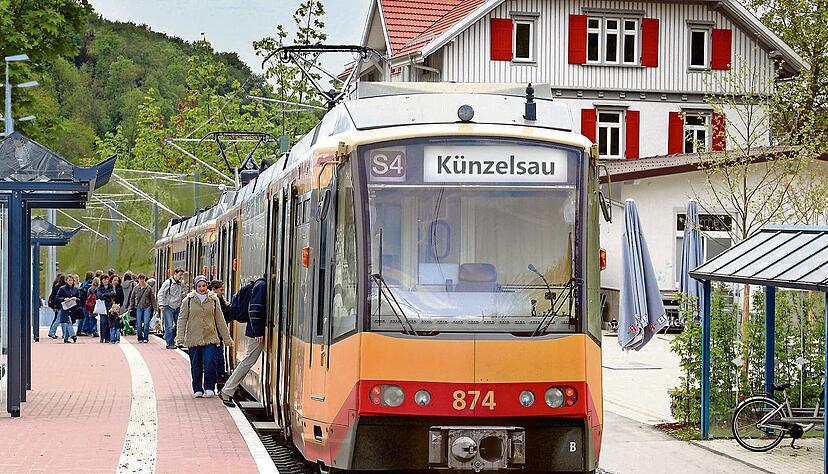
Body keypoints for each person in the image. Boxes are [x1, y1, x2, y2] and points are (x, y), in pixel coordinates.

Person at [176, 275, 233, 398]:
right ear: (195, 287)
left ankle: (209, 387)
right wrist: (180, 337)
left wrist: (227, 338)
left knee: (209, 362)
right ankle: (197, 388)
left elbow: (220, 319)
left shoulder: (214, 299)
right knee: (196, 364)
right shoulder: (188, 300)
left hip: (210, 337)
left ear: (207, 286)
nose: (202, 288)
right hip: (193, 338)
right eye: (199, 286)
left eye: (204, 286)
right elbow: (182, 319)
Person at [219, 275, 266, 407]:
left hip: (257, 331)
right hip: (256, 332)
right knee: (248, 361)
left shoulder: (260, 284)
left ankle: (227, 390)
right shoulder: (262, 286)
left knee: (248, 360)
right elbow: (255, 309)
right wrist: (258, 331)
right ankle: (227, 390)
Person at [209, 280, 232, 392]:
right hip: (209, 336)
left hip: (218, 336)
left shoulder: (222, 302)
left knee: (218, 359)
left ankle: (220, 384)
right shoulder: (209, 302)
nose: (223, 292)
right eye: (221, 290)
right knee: (212, 360)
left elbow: (227, 319)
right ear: (214, 290)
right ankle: (211, 384)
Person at [158, 269, 185, 349]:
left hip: (178, 306)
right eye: (180, 275)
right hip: (168, 306)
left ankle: (173, 339)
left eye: (182, 275)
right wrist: (161, 304)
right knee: (169, 325)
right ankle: (169, 343)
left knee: (178, 325)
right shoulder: (168, 283)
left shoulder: (181, 284)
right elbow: (161, 293)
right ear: (175, 274)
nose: (181, 277)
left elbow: (183, 294)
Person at [127, 274, 157, 343]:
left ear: (145, 279)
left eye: (143, 279)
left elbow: (152, 298)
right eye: (140, 279)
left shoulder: (148, 288)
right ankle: (140, 337)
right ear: (138, 279)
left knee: (146, 323)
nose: (141, 280)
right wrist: (131, 306)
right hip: (138, 307)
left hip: (147, 307)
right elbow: (132, 298)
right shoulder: (136, 288)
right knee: (139, 323)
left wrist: (155, 308)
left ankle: (146, 337)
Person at [54, 275, 80, 343]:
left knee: (71, 321)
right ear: (66, 281)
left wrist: (76, 298)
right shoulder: (62, 288)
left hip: (73, 307)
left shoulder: (76, 289)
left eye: (71, 280)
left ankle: (66, 338)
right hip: (65, 307)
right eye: (69, 280)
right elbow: (57, 298)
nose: (70, 282)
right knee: (68, 321)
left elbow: (80, 298)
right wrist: (64, 299)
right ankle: (73, 335)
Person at [96, 275, 116, 343]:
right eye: (104, 279)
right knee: (103, 322)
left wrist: (105, 294)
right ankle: (102, 337)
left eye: (107, 279)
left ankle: (108, 338)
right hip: (102, 306)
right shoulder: (99, 288)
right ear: (101, 280)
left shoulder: (111, 286)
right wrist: (108, 295)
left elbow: (113, 293)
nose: (106, 281)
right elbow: (99, 296)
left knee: (108, 322)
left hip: (109, 306)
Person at [47, 274, 65, 339]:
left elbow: (53, 296)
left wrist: (54, 306)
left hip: (57, 305)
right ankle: (52, 332)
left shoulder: (55, 286)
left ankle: (63, 333)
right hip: (62, 305)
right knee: (59, 319)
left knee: (59, 319)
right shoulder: (63, 287)